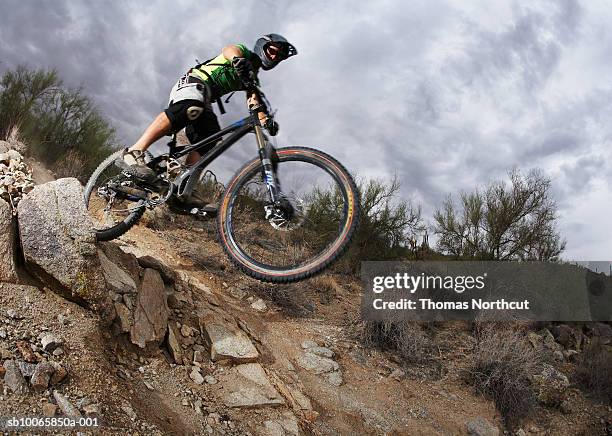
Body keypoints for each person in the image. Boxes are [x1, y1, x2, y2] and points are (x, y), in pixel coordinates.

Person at [116, 34, 298, 202]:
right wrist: (237, 60)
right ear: (262, 46)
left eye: (279, 56)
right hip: (195, 82)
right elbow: (229, 50)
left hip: (207, 98)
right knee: (192, 107)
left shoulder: (252, 79)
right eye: (272, 51)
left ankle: (184, 185)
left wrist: (266, 121)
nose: (274, 57)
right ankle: (134, 152)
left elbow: (254, 102)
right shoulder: (244, 53)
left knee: (211, 138)